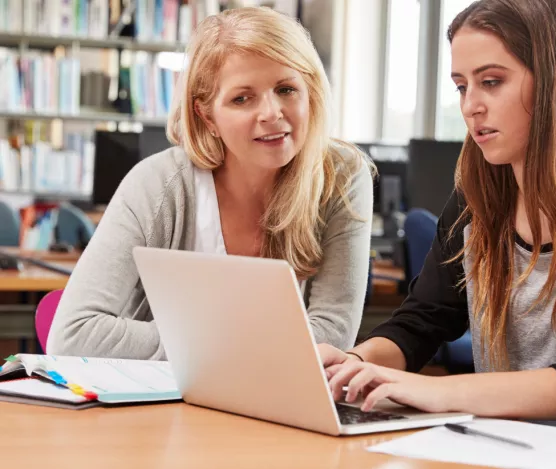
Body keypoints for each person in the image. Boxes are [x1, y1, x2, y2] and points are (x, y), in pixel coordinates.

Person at [321, 0, 556, 432]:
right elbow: (424, 320)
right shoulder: (476, 198)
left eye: (491, 82)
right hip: (501, 448)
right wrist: (354, 364)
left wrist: (437, 393)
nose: (470, 106)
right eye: (462, 86)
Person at [47, 7, 374, 359]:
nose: (271, 113)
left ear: (310, 92)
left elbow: (333, 333)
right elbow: (73, 335)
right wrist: (228, 345)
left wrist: (201, 343)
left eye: (286, 89)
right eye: (241, 98)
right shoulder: (157, 185)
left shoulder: (340, 177)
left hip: (274, 403)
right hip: (158, 402)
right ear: (207, 114)